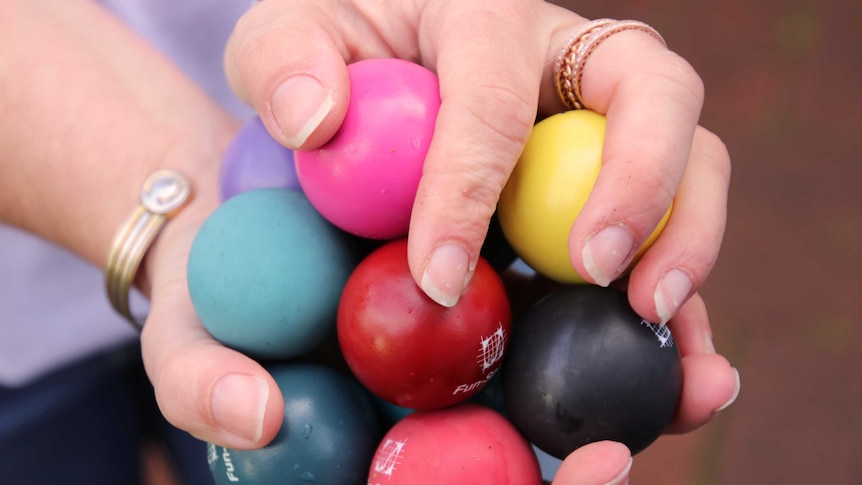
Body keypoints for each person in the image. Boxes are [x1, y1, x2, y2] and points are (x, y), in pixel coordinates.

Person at [0, 0, 739, 484]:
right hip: (18, 332)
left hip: (277, 174)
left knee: (258, 446)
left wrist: (437, 20)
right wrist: (171, 198)